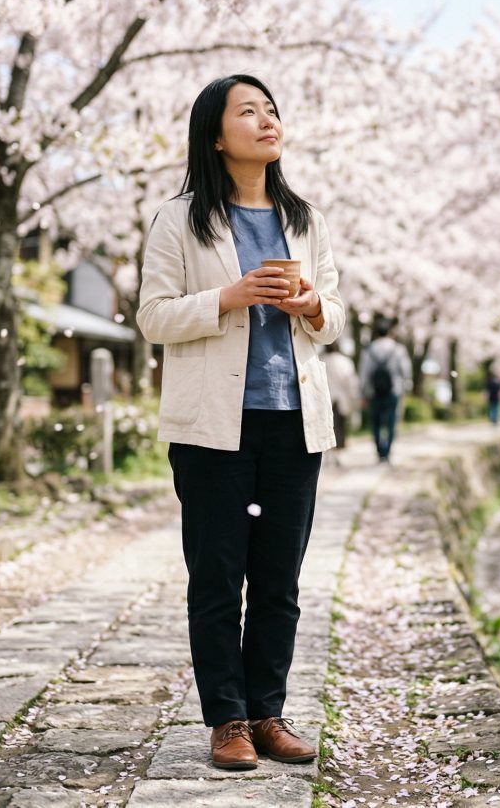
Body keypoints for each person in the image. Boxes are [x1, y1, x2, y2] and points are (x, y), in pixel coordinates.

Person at [137, 74, 343, 772]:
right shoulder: (182, 218)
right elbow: (153, 316)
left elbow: (337, 315)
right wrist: (226, 297)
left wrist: (311, 305)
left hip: (294, 423)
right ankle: (226, 720)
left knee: (279, 577)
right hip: (213, 429)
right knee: (219, 576)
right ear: (216, 135)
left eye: (272, 110)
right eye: (247, 111)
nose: (266, 121)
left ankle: (269, 714)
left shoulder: (306, 219)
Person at [358, 317, 412, 463]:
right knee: (391, 421)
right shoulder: (398, 349)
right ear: (390, 332)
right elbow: (406, 371)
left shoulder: (369, 350)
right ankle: (387, 452)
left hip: (373, 391)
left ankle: (379, 452)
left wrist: (362, 393)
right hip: (393, 390)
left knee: (375, 422)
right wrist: (406, 388)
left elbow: (364, 373)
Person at [322, 343, 360, 456]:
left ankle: (329, 452)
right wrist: (354, 397)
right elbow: (351, 381)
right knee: (340, 425)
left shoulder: (321, 359)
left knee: (328, 425)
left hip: (326, 397)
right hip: (341, 397)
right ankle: (338, 452)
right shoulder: (345, 361)